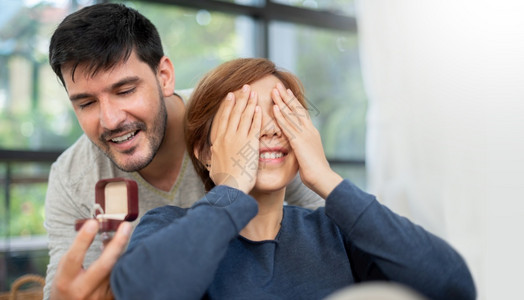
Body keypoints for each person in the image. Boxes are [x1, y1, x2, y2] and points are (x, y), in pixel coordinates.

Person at [110, 58, 476, 300]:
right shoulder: (168, 226)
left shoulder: (337, 234)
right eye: (248, 118)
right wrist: (232, 184)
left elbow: (453, 286)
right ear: (205, 152)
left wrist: (327, 179)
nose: (270, 129)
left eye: (284, 114)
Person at [44, 3, 323, 299]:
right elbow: (66, 285)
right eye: (86, 103)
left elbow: (332, 226)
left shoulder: (231, 123)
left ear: (164, 76)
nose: (110, 120)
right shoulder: (72, 178)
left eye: (125, 91)